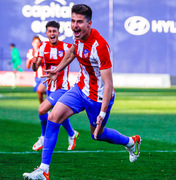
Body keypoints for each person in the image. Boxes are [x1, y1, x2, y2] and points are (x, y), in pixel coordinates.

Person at [23, 4, 141, 179]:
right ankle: (43, 170)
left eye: (79, 22)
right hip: (80, 89)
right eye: (72, 21)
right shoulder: (77, 37)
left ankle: (131, 142)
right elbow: (72, 52)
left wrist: (102, 112)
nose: (75, 25)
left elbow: (108, 84)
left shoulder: (100, 46)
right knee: (53, 117)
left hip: (98, 98)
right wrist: (58, 69)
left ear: (89, 23)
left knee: (97, 135)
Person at [30, 21, 79, 152]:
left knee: (42, 110)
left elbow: (76, 53)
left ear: (58, 33)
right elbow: (36, 66)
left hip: (62, 88)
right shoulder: (43, 47)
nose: (52, 33)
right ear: (46, 33)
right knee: (59, 115)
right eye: (50, 31)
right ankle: (72, 134)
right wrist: (34, 63)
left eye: (54, 31)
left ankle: (43, 136)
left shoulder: (65, 47)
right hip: (50, 88)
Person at [26, 36, 47, 104]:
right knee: (39, 95)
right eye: (35, 42)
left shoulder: (43, 52)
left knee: (40, 90)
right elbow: (27, 66)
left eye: (38, 42)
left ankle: (52, 94)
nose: (36, 44)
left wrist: (36, 60)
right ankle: (45, 110)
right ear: (32, 43)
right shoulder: (30, 52)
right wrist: (29, 60)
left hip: (44, 76)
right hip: (36, 77)